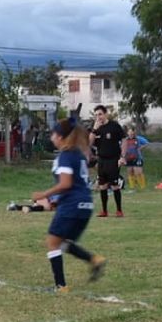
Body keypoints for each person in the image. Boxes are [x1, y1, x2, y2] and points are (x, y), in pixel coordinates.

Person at [31, 118, 106, 294]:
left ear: (61, 137)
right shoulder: (78, 154)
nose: (51, 138)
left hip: (72, 204)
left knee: (52, 242)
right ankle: (94, 259)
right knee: (62, 243)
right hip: (85, 205)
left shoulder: (65, 156)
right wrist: (57, 200)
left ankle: (61, 286)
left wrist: (44, 195)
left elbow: (66, 183)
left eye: (53, 134)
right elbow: (77, 183)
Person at [90, 105, 127, 217]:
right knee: (102, 186)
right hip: (101, 160)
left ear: (105, 114)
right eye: (96, 115)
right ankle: (104, 211)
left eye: (100, 114)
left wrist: (122, 156)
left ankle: (119, 210)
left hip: (113, 159)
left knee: (115, 185)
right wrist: (94, 129)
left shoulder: (114, 126)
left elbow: (124, 139)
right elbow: (89, 143)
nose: (98, 117)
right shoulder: (96, 129)